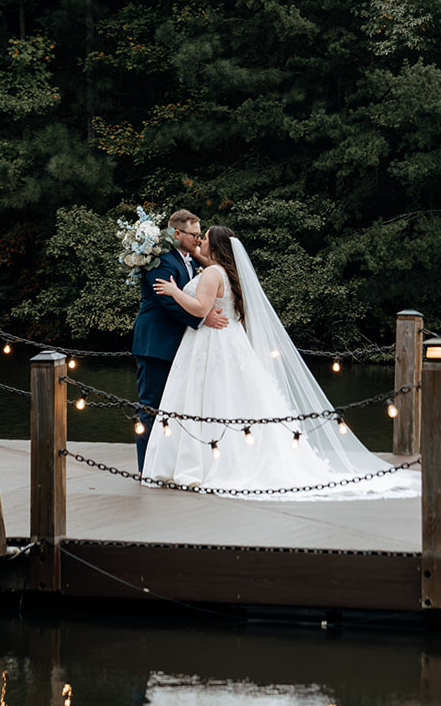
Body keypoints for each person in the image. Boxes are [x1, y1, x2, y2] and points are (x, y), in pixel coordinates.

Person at [141, 226, 422, 498]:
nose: (200, 241)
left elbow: (201, 308)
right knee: (229, 398)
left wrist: (174, 291)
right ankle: (229, 454)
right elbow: (216, 284)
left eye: (205, 239)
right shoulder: (229, 273)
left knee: (203, 397)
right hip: (230, 341)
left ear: (214, 247)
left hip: (210, 342)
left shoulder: (212, 274)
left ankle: (196, 463)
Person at [131, 210, 227, 473]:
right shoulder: (160, 261)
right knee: (150, 407)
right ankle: (145, 469)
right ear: (177, 234)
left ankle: (166, 465)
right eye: (194, 235)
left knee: (174, 407)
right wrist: (202, 317)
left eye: (200, 235)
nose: (198, 239)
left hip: (178, 347)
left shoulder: (188, 259)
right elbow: (167, 301)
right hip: (156, 345)